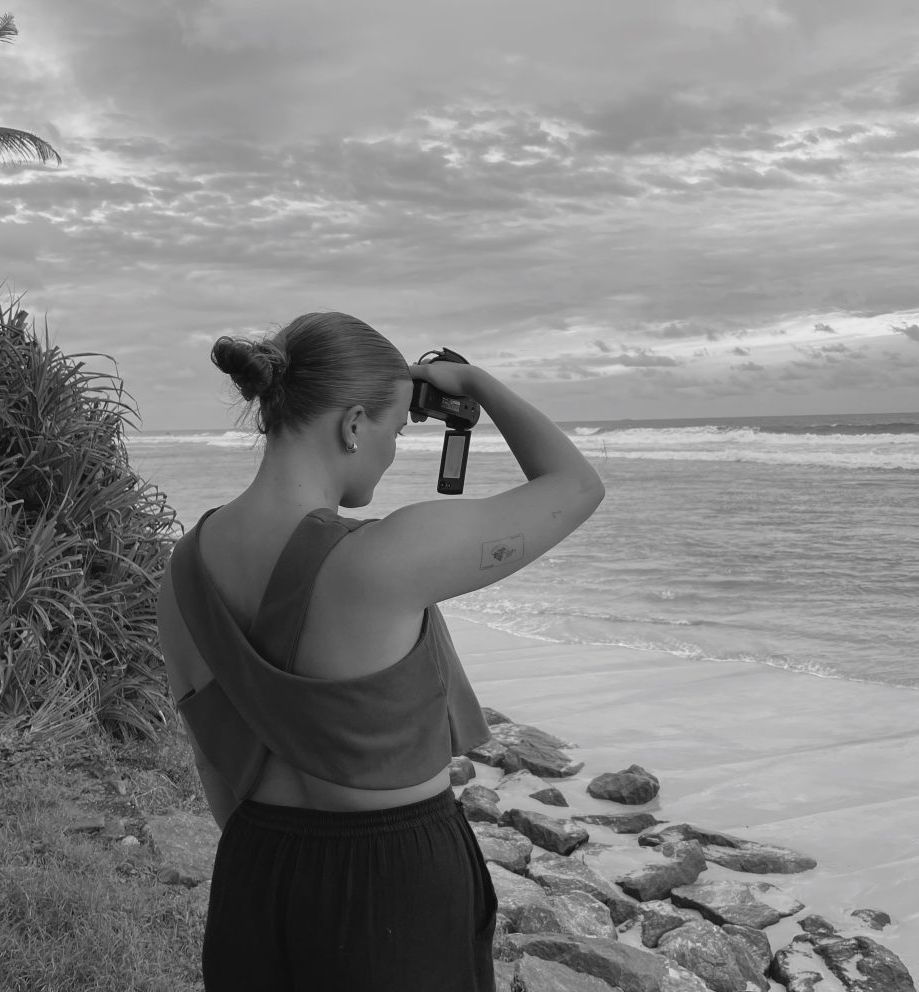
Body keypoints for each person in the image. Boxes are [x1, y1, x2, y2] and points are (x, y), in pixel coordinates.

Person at [155, 311, 604, 991]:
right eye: (393, 431)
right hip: (393, 881)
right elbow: (575, 486)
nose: (392, 451)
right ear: (353, 424)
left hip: (253, 870)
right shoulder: (381, 560)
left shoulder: (182, 571)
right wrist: (476, 383)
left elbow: (215, 765)